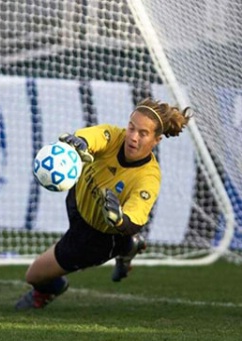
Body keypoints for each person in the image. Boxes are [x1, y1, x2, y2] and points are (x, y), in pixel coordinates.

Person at [15, 97, 192, 310]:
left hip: (98, 237)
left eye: (143, 133)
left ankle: (49, 290)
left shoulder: (148, 179)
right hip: (77, 203)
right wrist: (78, 143)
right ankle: (130, 245)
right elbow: (92, 137)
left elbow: (133, 219)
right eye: (131, 128)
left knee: (33, 275)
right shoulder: (115, 136)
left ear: (157, 140)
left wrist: (119, 219)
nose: (133, 138)